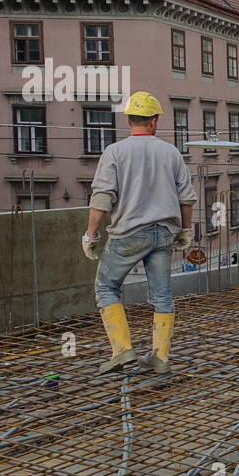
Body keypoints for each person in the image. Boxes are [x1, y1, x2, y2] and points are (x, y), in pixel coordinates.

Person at [83, 91, 196, 373]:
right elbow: (186, 198)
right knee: (162, 295)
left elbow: (102, 199)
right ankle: (160, 357)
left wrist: (91, 235)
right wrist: (184, 230)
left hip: (129, 234)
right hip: (164, 233)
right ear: (154, 121)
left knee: (106, 287)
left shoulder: (115, 152)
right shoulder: (171, 152)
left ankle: (122, 350)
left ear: (129, 120)